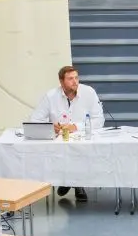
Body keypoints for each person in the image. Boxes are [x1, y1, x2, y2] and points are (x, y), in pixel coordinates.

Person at [29, 63, 105, 202]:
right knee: (60, 151)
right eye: (70, 78)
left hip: (82, 137)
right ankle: (68, 181)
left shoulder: (89, 92)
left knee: (78, 150)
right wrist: (51, 126)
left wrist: (76, 126)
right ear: (61, 82)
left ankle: (74, 184)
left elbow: (99, 120)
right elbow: (35, 120)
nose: (75, 81)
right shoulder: (51, 96)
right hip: (59, 140)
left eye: (76, 78)